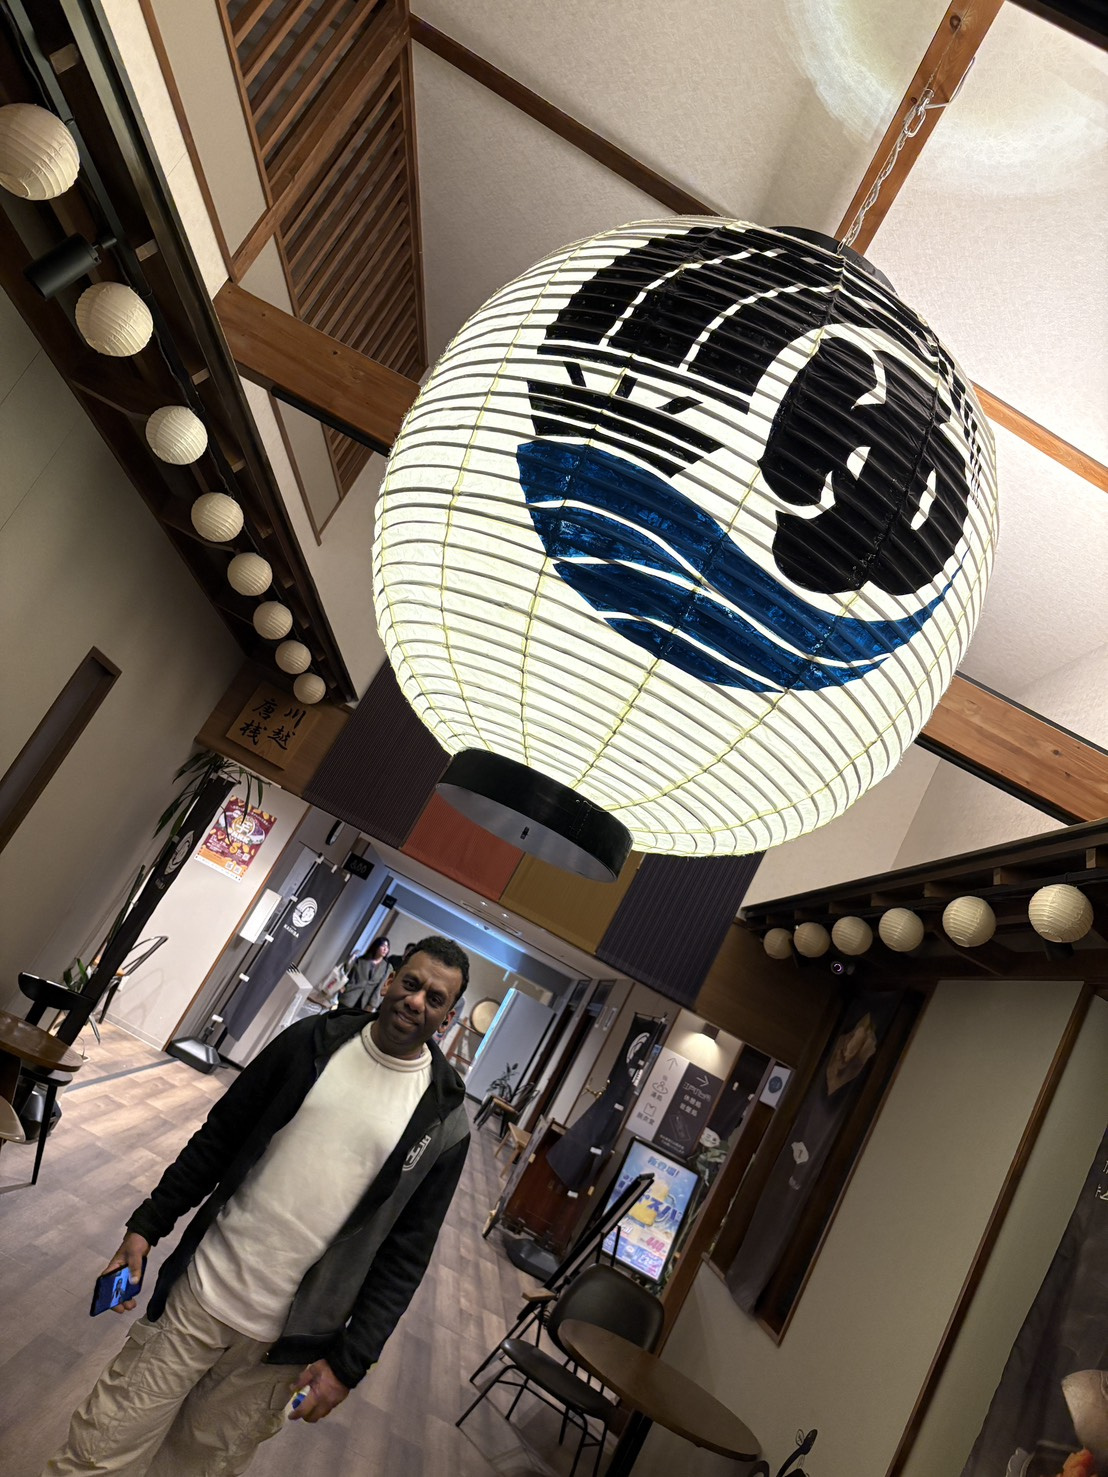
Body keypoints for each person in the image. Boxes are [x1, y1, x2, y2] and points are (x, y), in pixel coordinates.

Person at [44, 935, 470, 1476]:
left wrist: (349, 1364)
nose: (416, 1001)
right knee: (96, 1454)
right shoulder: (310, 1043)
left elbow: (405, 1257)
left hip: (282, 1351)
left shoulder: (444, 1124)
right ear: (389, 981)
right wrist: (147, 1226)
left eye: (435, 998)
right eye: (411, 983)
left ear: (447, 1018)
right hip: (202, 1294)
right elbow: (219, 1139)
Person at [338, 935, 390, 1012]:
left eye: (387, 947)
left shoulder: (386, 967)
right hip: (350, 995)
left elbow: (381, 986)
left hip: (366, 1003)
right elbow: (350, 975)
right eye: (383, 946)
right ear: (376, 947)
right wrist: (344, 986)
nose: (385, 949)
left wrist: (373, 1004)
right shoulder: (362, 960)